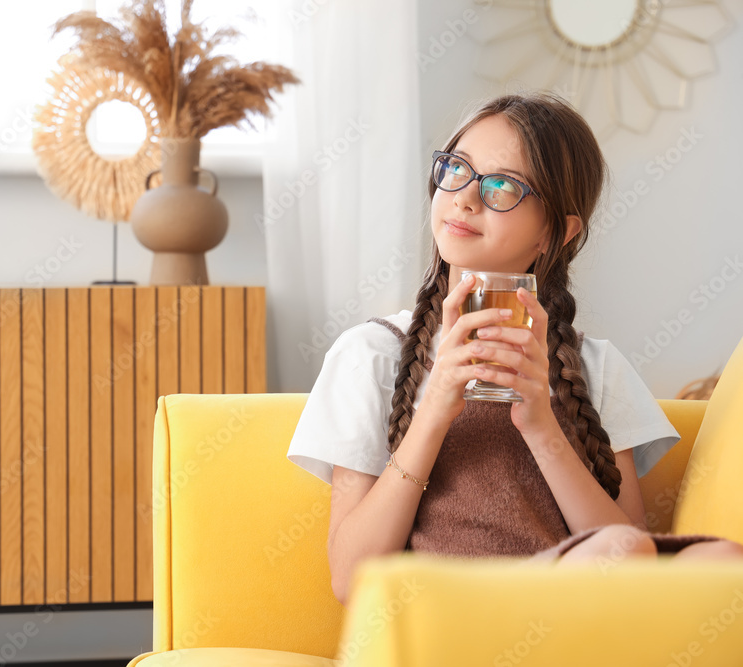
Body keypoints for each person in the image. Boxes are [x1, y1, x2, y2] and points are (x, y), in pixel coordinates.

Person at [286, 92, 743, 606]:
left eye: (503, 185)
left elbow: (629, 556)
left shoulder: (595, 368)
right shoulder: (371, 353)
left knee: (721, 560)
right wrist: (434, 408)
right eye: (456, 168)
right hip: (449, 613)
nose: (464, 197)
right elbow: (350, 579)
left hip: (571, 608)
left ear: (557, 232)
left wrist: (543, 426)